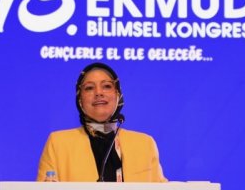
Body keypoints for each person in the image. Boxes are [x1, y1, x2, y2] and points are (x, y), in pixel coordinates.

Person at [36, 62, 167, 182]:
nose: (98, 93)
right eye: (89, 88)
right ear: (80, 100)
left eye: (107, 86)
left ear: (118, 95)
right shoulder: (58, 143)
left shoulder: (145, 144)